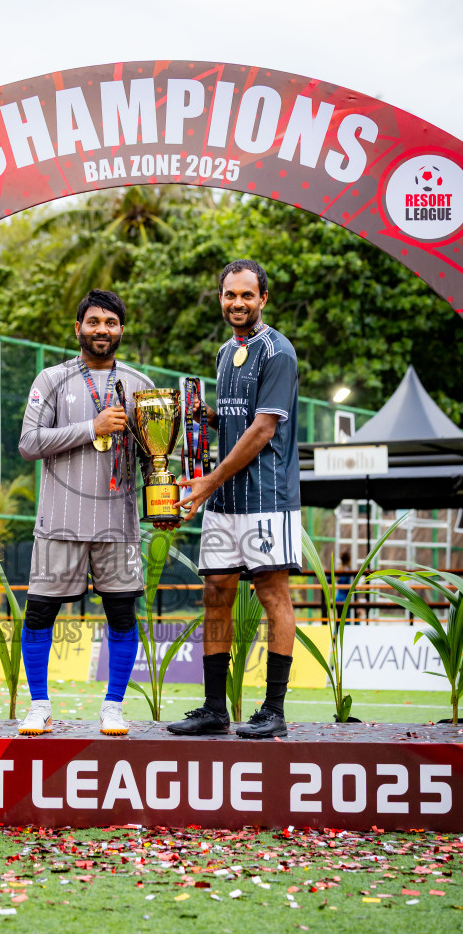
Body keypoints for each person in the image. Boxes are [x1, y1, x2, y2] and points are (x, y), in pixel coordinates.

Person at [165, 259, 302, 739]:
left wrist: (205, 482)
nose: (237, 303)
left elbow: (264, 429)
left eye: (247, 295)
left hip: (267, 497)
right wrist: (205, 413)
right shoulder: (226, 352)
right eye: (230, 295)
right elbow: (238, 424)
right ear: (221, 298)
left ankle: (274, 710)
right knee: (216, 592)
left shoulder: (278, 351)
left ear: (263, 298)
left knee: (272, 594)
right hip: (226, 502)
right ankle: (213, 708)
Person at [17, 288, 154, 736]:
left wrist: (167, 496)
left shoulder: (141, 386)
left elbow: (156, 455)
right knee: (39, 614)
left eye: (111, 323)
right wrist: (89, 428)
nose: (102, 330)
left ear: (121, 330)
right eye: (94, 322)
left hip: (118, 524)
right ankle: (39, 705)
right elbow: (28, 444)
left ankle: (113, 706)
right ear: (78, 328)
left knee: (121, 615)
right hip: (59, 521)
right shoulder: (50, 379)